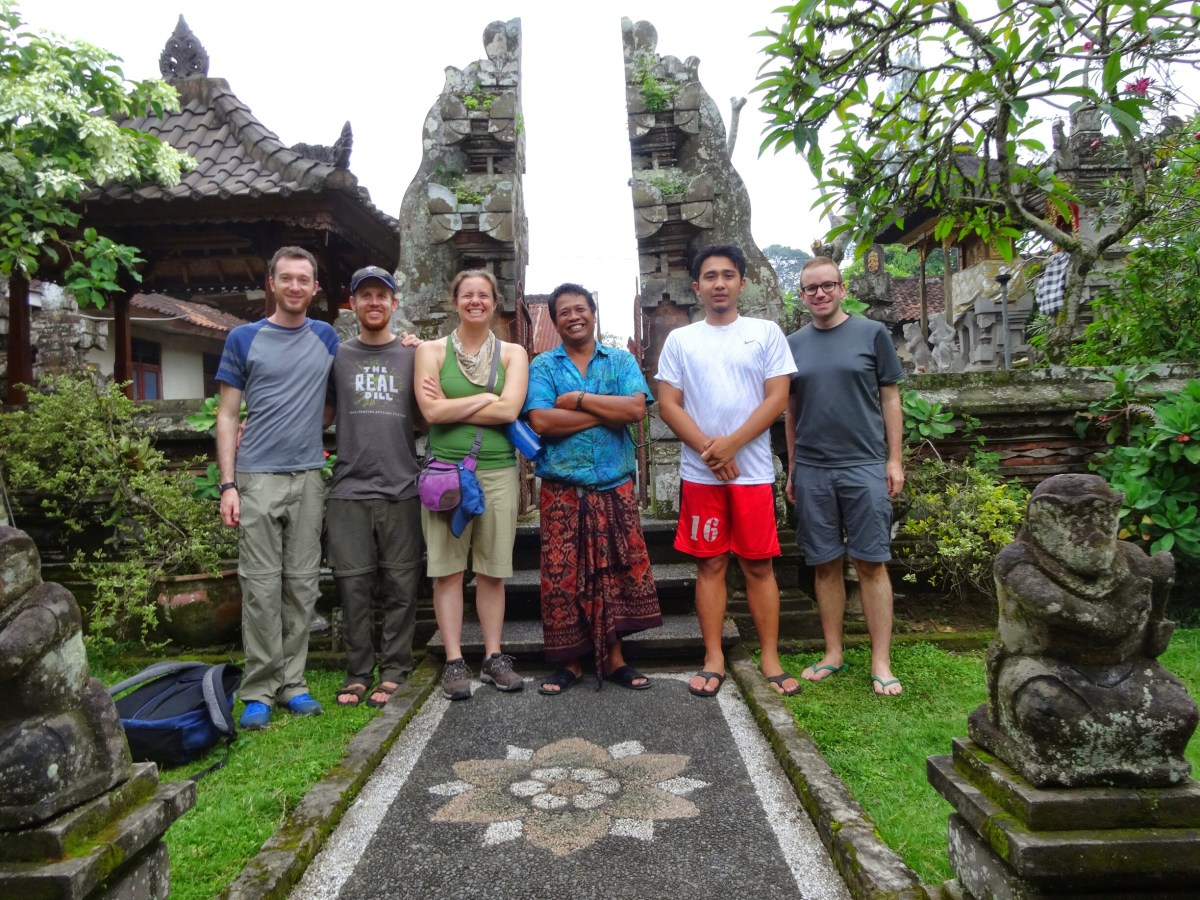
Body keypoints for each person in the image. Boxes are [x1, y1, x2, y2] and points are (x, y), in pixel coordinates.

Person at [656, 245, 801, 698]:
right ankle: (713, 656)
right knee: (711, 564)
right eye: (710, 276)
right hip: (702, 475)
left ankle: (770, 657)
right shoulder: (681, 340)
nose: (719, 283)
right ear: (696, 287)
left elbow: (778, 397)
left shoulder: (765, 333)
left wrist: (732, 445)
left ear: (742, 282)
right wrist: (710, 451)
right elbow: (668, 404)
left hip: (752, 473)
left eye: (728, 275)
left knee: (759, 565)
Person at [216, 246, 339, 729]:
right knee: (261, 585)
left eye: (303, 279)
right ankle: (259, 689)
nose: (294, 286)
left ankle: (294, 684)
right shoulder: (243, 338)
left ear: (314, 288)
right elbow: (227, 415)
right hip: (257, 476)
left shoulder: (326, 338)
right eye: (286, 278)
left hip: (308, 475)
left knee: (303, 584)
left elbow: (333, 402)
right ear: (271, 282)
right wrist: (228, 484)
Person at [523, 283, 662, 695]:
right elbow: (542, 422)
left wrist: (579, 400)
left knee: (614, 572)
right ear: (554, 320)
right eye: (564, 312)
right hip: (562, 490)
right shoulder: (544, 366)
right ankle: (568, 662)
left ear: (593, 313)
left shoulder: (619, 360)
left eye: (580, 309)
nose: (573, 316)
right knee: (562, 576)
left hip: (613, 486)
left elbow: (635, 410)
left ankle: (616, 659)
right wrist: (606, 411)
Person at [784, 256, 905, 696]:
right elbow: (790, 411)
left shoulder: (872, 334)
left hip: (864, 464)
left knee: (871, 562)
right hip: (813, 469)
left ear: (842, 288)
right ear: (802, 296)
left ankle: (881, 660)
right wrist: (793, 469)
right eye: (811, 288)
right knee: (824, 563)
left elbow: (890, 398)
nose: (820, 293)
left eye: (827, 285)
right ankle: (833, 652)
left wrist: (894, 459)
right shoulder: (792, 344)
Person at [413, 269, 529, 700]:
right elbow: (430, 413)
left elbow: (509, 410)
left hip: (497, 471)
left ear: (495, 303)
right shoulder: (430, 351)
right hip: (445, 472)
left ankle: (494, 656)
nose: (475, 301)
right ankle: (454, 659)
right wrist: (484, 397)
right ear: (455, 301)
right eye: (467, 295)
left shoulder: (513, 353)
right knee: (447, 570)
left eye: (483, 295)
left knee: (492, 570)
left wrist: (453, 403)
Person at [325, 266, 422, 710]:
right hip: (349, 488)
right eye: (365, 295)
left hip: (402, 484)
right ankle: (359, 671)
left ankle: (396, 668)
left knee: (402, 584)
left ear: (394, 303)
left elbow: (430, 410)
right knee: (353, 587)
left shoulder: (413, 355)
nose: (374, 302)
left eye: (382, 295)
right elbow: (320, 411)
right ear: (353, 304)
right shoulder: (338, 356)